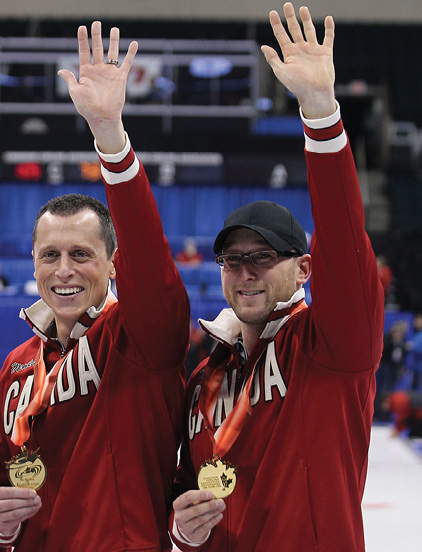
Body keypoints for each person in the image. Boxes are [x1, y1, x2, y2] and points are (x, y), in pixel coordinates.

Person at [170, 5, 385, 550]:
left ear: (304, 268)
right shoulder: (201, 383)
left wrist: (319, 112)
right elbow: (186, 495)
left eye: (263, 257)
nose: (245, 271)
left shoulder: (331, 345)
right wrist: (183, 530)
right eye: (232, 259)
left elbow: (343, 237)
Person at [0, 23, 190, 551]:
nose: (64, 271)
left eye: (81, 255)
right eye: (49, 256)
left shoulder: (141, 337)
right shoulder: (17, 366)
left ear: (114, 264)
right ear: (32, 265)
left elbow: (152, 261)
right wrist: (0, 525)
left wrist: (111, 138)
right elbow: (5, 483)